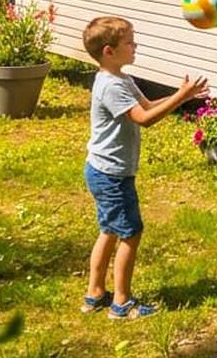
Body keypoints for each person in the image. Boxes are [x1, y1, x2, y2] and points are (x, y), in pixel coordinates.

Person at [81, 16, 208, 319]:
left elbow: (148, 105)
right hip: (111, 175)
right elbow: (144, 119)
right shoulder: (111, 86)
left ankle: (95, 294)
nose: (135, 45)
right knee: (130, 233)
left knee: (110, 230)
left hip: (105, 170)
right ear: (109, 51)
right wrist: (180, 96)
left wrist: (183, 96)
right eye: (129, 42)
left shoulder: (121, 79)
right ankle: (121, 303)